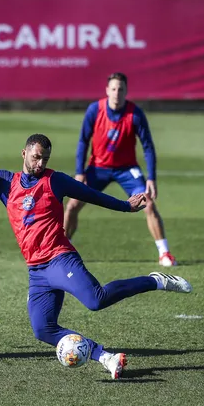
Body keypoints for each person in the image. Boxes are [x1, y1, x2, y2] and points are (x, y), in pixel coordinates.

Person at [0, 134, 192, 379]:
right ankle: (105, 357)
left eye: (44, 158)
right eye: (36, 157)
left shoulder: (54, 180)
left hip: (60, 259)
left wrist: (124, 206)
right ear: (24, 154)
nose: (40, 164)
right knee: (43, 329)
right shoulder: (5, 183)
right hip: (37, 271)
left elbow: (90, 194)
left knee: (96, 300)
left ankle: (155, 280)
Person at [64, 72, 177, 267]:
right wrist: (79, 172)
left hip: (127, 170)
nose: (117, 93)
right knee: (72, 205)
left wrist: (151, 177)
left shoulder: (135, 113)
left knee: (148, 204)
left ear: (126, 91)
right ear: (107, 90)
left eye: (121, 89)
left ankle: (164, 253)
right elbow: (83, 141)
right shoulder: (95, 110)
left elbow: (147, 145)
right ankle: (63, 250)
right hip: (98, 168)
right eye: (114, 89)